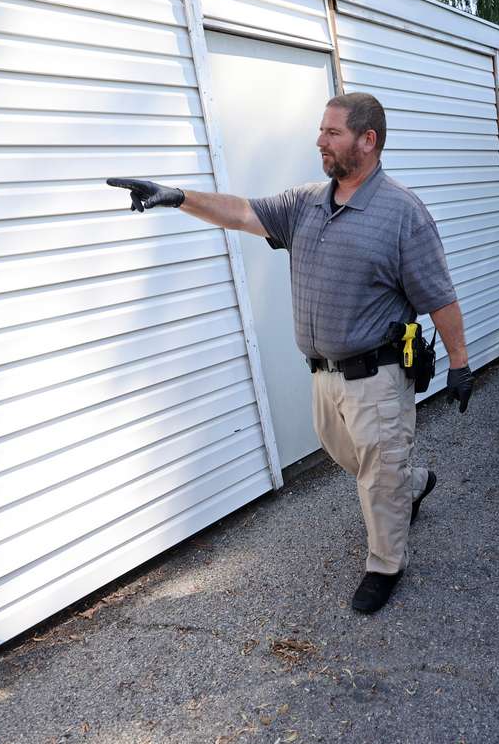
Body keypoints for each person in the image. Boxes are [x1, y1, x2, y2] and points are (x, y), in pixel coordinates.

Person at [108, 92, 473, 615]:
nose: (319, 141)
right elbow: (241, 212)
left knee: (376, 472)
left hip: (377, 374)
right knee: (355, 457)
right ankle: (410, 483)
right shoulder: (307, 203)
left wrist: (460, 362)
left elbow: (440, 296)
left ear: (367, 142)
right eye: (321, 131)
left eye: (332, 132)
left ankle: (385, 565)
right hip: (324, 375)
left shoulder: (402, 214)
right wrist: (176, 196)